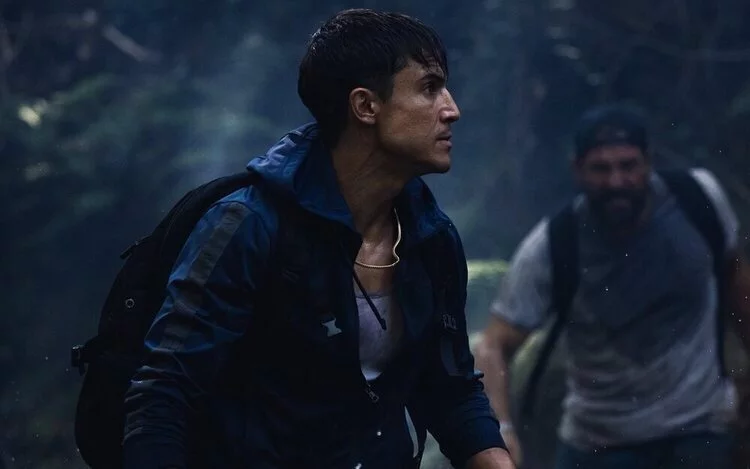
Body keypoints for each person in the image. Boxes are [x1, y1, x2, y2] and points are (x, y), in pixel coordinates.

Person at [122, 8, 514, 469]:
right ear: (365, 106)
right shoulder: (249, 226)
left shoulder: (431, 239)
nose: (452, 109)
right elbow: (164, 394)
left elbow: (449, 389)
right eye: (429, 88)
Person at [476, 103, 750, 469]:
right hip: (601, 443)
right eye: (601, 169)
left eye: (628, 165)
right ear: (577, 169)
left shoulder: (698, 200)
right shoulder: (554, 244)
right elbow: (493, 344)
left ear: (648, 162)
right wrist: (501, 431)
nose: (616, 181)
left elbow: (736, 282)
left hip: (700, 430)